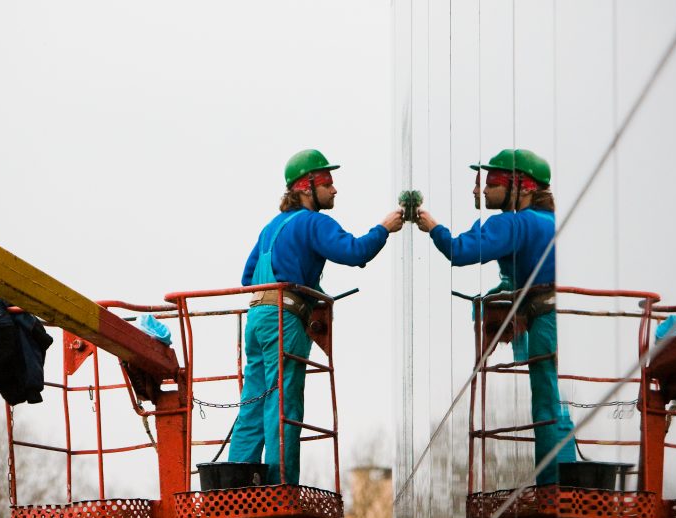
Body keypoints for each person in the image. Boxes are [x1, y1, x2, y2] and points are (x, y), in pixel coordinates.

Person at [228, 149, 404, 485]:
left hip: (256, 319)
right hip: (284, 319)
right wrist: (384, 228)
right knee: (284, 401)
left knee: (253, 400)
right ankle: (281, 484)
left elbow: (248, 277)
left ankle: (236, 481)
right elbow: (354, 252)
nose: (334, 190)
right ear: (306, 188)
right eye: (327, 183)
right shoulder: (314, 222)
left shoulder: (271, 227)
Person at [416, 148, 576, 485]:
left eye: (493, 182)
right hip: (558, 312)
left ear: (523, 187)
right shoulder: (550, 223)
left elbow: (461, 251)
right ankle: (565, 467)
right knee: (553, 391)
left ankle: (553, 480)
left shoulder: (514, 224)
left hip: (541, 314)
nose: (482, 190)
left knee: (545, 396)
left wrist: (433, 227)